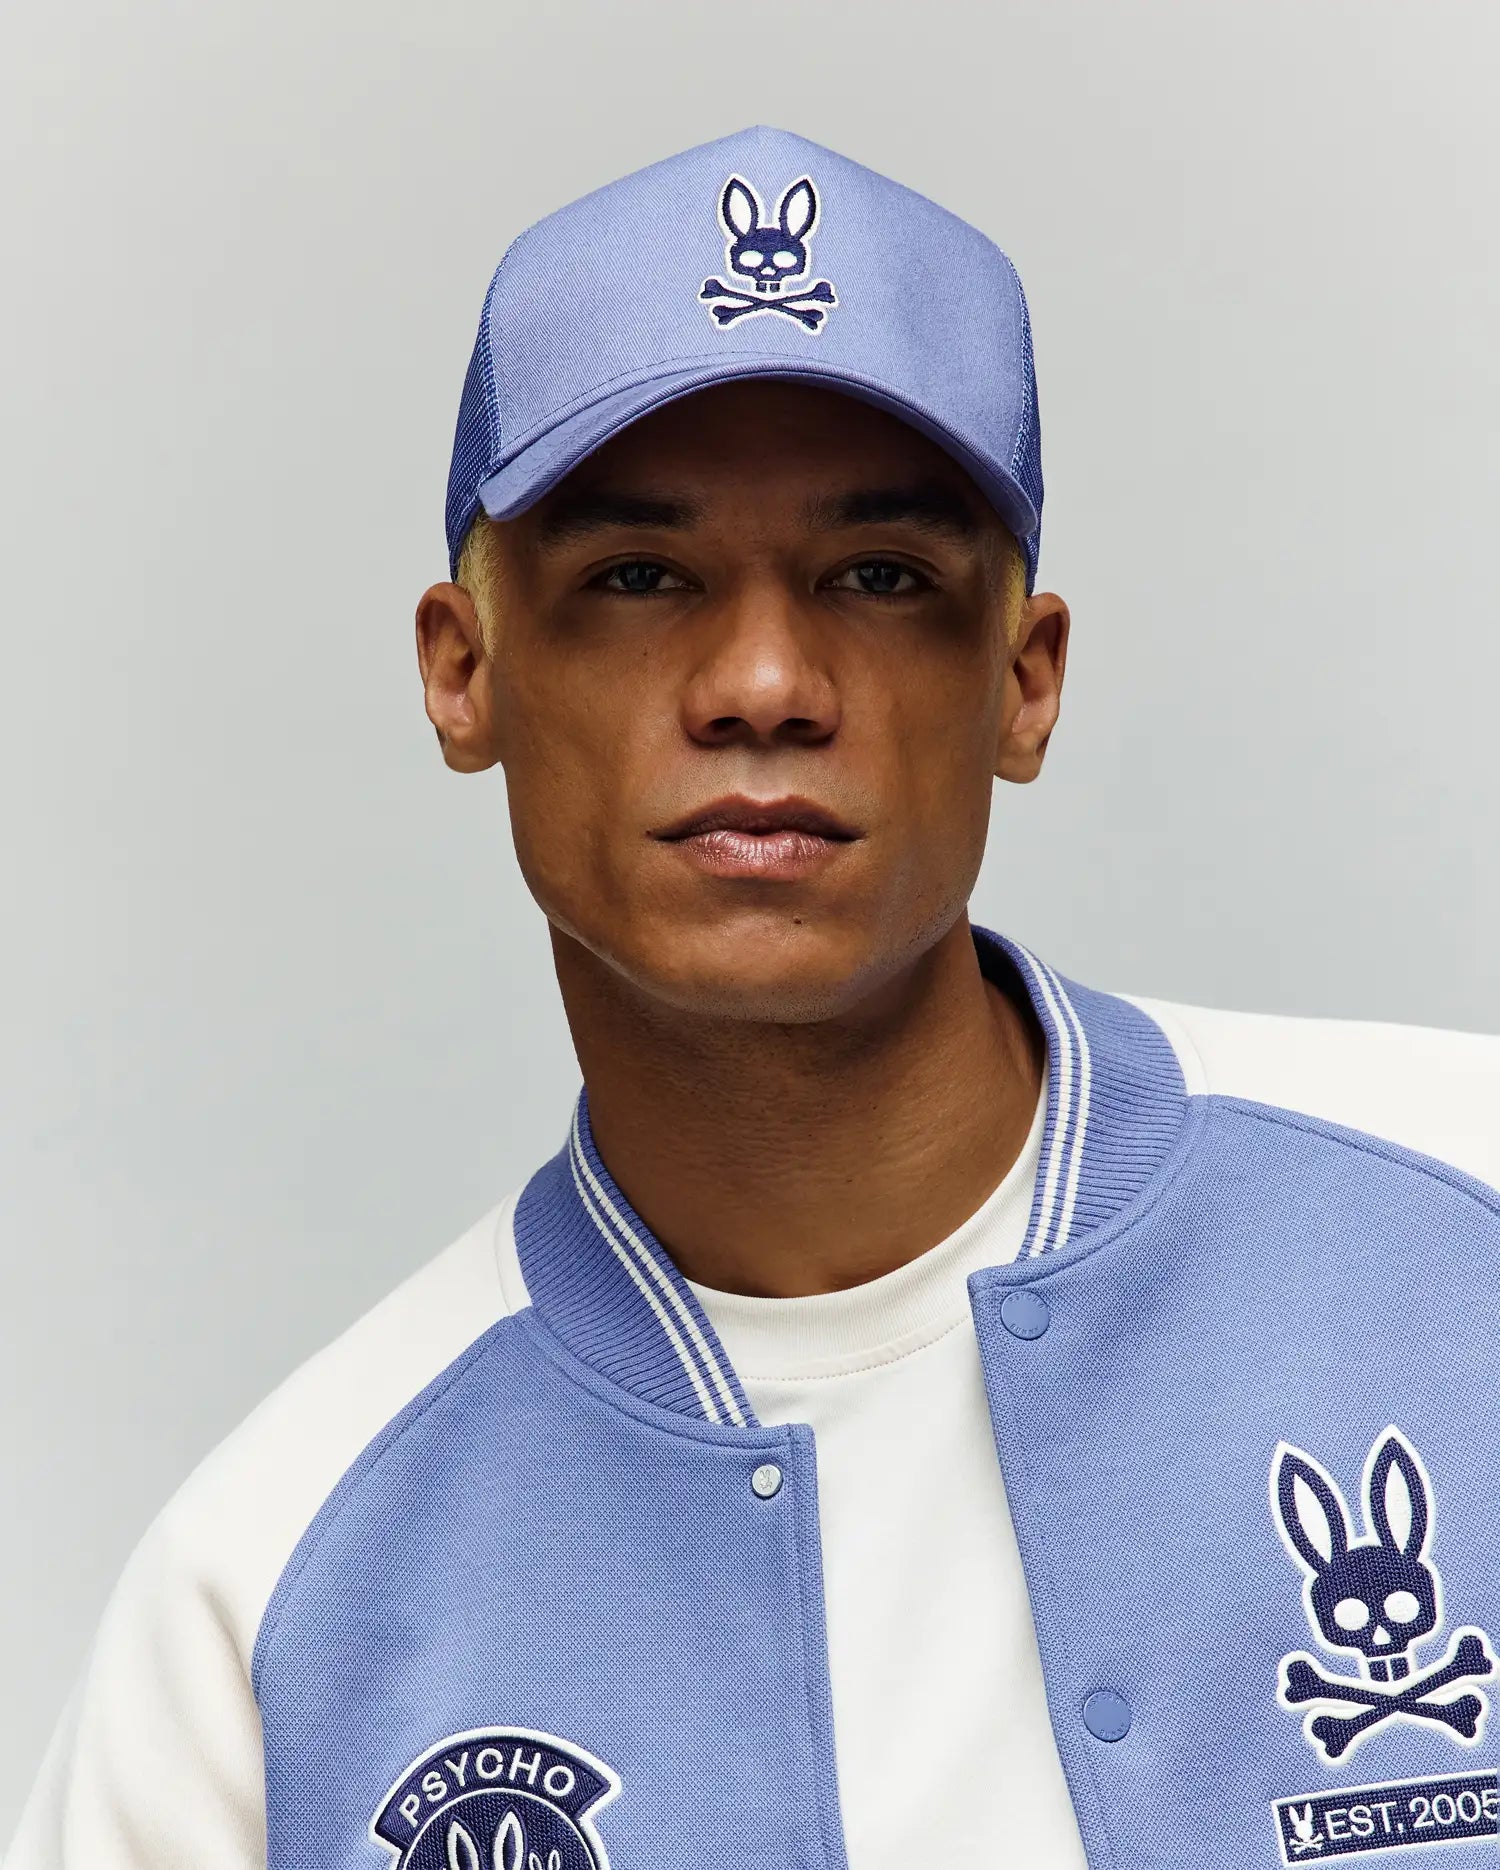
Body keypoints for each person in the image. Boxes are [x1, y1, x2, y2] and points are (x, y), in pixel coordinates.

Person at [9, 123, 1500, 1870]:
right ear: (465, 670)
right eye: (639, 578)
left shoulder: (1464, 1223)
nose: (767, 681)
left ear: (1024, 682)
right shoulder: (262, 1610)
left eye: (882, 577)